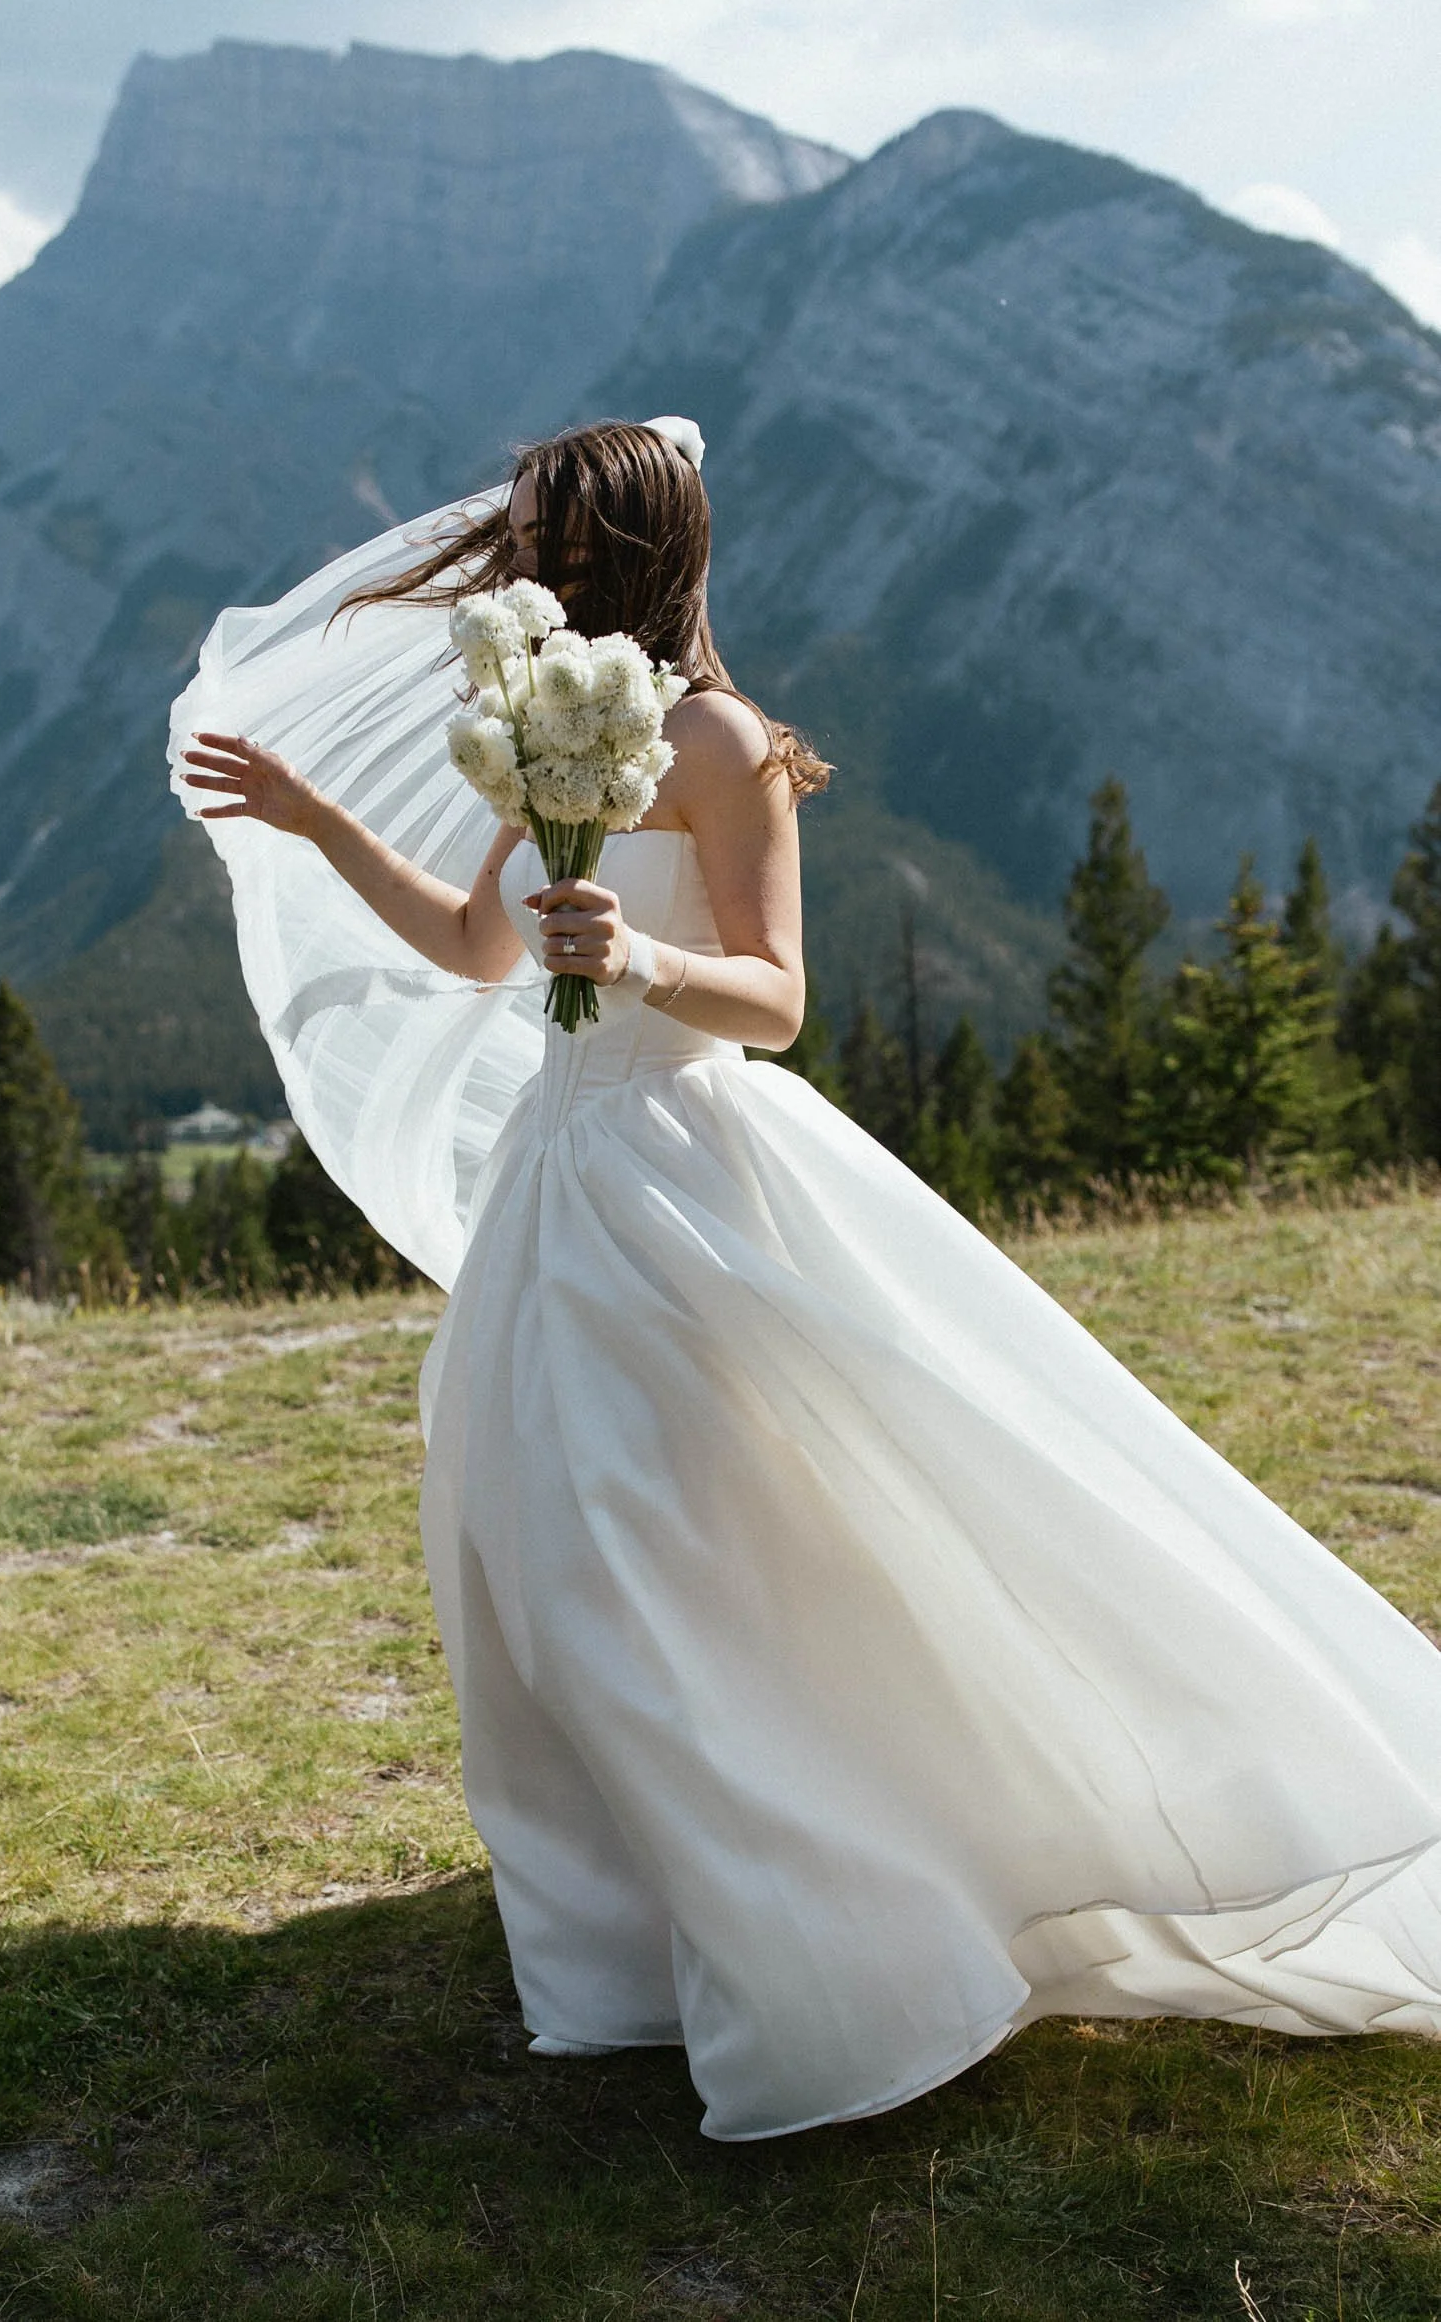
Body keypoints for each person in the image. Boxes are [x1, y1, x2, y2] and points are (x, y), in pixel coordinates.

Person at [175, 416, 1441, 2144]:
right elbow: (479, 949)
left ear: (623, 544)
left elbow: (773, 999)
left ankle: (832, 1955)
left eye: (544, 529)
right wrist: (320, 822)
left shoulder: (718, 740)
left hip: (687, 1174)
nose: (513, 557)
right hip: (562, 1184)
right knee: (538, 1561)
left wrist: (642, 950)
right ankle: (647, 1947)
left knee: (659, 1569)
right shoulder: (548, 726)